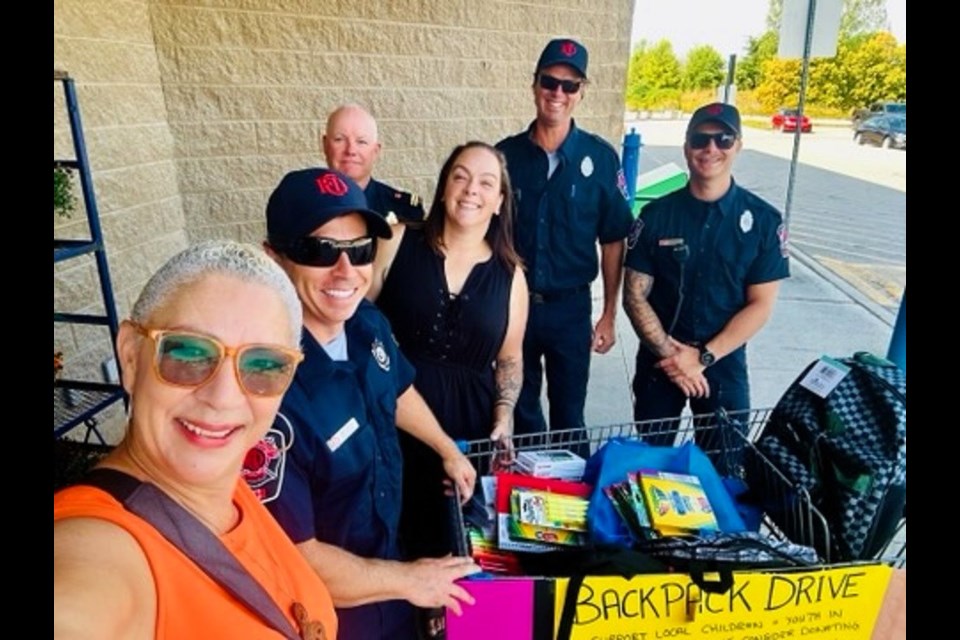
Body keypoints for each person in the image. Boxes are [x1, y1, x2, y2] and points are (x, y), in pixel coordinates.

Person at [54, 240, 339, 639]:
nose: (223, 397)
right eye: (187, 353)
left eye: (263, 365)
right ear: (131, 356)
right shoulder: (101, 548)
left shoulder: (225, 493)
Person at [252, 167, 479, 640]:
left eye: (360, 251)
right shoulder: (267, 396)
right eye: (319, 251)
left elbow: (394, 389)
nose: (345, 271)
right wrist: (412, 580)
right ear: (275, 259)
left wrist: (447, 448)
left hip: (390, 571)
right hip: (329, 615)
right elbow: (292, 552)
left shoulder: (367, 323)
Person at [369, 141, 529, 561]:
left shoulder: (511, 276)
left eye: (486, 182)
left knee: (453, 541)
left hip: (468, 429)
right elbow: (357, 323)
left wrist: (504, 413)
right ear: (443, 188)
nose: (471, 189)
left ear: (499, 202)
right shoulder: (399, 241)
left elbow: (510, 358)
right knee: (391, 529)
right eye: (460, 176)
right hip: (393, 412)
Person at [622, 102, 790, 452]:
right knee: (650, 464)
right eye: (701, 139)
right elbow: (634, 295)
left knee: (725, 471)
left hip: (723, 363)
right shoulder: (656, 215)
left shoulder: (763, 222)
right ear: (687, 147)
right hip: (660, 360)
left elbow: (760, 306)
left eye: (723, 139)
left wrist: (702, 358)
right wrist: (674, 357)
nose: (711, 148)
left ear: (738, 145)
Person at [496, 38, 635, 454]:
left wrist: (609, 314)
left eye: (569, 86)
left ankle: (572, 500)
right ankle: (531, 495)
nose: (558, 93)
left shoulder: (602, 159)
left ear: (581, 92)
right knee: (521, 411)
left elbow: (613, 240)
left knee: (569, 416)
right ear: (535, 84)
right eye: (550, 82)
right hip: (515, 306)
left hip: (570, 310)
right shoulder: (504, 156)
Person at [323, 103, 426, 225]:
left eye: (361, 142)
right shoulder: (301, 203)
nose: (350, 150)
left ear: (375, 151)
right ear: (325, 145)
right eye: (339, 139)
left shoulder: (404, 210)